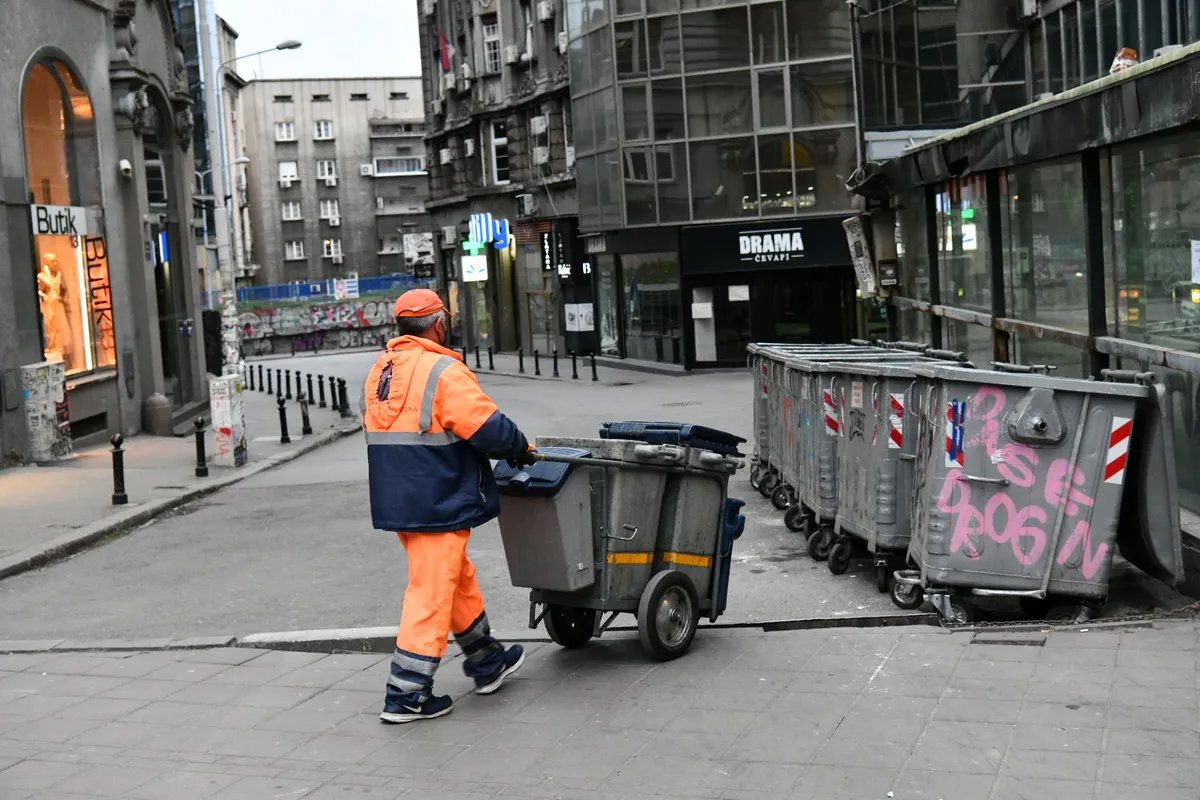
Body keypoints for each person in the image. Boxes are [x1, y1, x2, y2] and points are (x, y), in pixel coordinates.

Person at [363, 288, 535, 723]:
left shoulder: (381, 369)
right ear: (439, 324)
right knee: (431, 592)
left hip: (402, 499)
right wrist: (518, 447)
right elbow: (487, 426)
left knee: (455, 578)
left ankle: (486, 659)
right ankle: (406, 694)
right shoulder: (441, 369)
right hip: (438, 497)